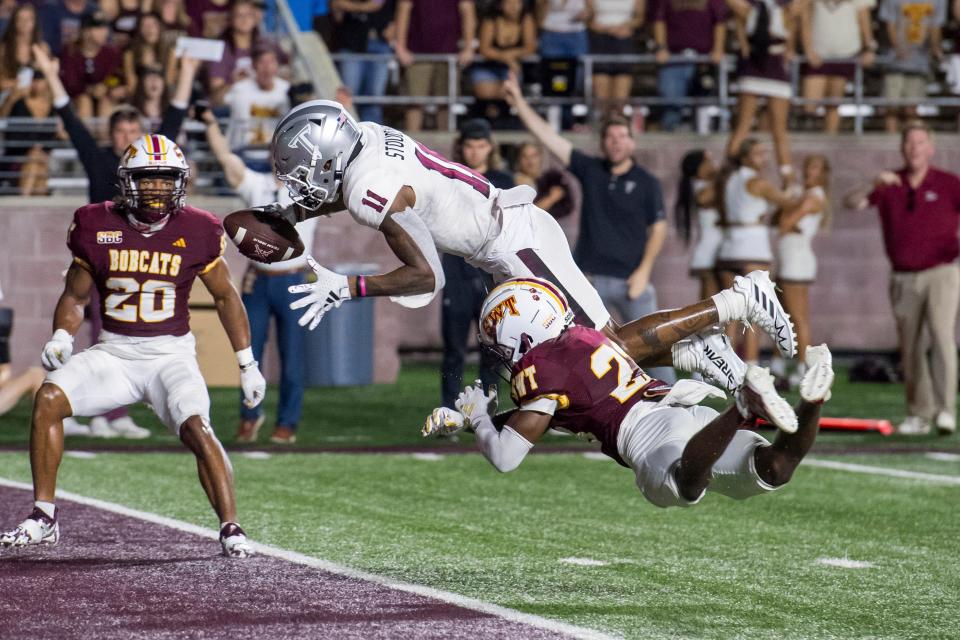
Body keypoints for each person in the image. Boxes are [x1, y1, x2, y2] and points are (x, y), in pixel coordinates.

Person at [262, 99, 798, 395]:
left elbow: (427, 276)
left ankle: (740, 301)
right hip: (501, 242)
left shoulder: (364, 188)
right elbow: (359, 189)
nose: (298, 180)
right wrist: (294, 212)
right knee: (579, 360)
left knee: (603, 353)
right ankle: (693, 349)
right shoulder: (370, 136)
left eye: (298, 169)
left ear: (326, 153)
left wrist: (348, 286)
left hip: (515, 241)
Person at [0, 134, 264, 557]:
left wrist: (247, 363)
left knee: (197, 426)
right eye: (148, 178)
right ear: (127, 181)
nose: (157, 188)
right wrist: (62, 335)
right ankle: (43, 516)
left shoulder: (199, 228)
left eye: (166, 179)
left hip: (169, 356)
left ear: (179, 183)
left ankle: (231, 527)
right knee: (48, 398)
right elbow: (75, 294)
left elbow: (225, 296)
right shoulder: (96, 223)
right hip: (115, 354)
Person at [422, 278, 835, 511]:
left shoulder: (541, 372)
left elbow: (506, 457)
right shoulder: (581, 340)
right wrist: (466, 420)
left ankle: (741, 403)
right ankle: (815, 397)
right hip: (678, 407)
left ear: (520, 333)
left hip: (647, 436)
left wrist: (476, 419)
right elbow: (541, 415)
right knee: (774, 468)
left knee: (685, 485)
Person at [32, 44, 201, 438]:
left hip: (139, 255)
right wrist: (48, 70)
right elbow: (70, 119)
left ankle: (110, 413)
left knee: (118, 332)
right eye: (120, 131)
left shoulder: (149, 170)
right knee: (86, 331)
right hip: (99, 257)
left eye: (132, 131)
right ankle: (85, 409)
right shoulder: (99, 159)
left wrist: (188, 69)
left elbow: (174, 120)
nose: (125, 136)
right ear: (111, 136)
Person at [505, 76, 676, 382]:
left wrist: (644, 271)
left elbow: (659, 228)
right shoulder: (591, 169)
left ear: (632, 141)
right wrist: (518, 101)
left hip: (631, 280)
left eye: (622, 136)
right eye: (610, 137)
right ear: (602, 142)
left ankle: (678, 406)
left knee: (654, 348)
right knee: (575, 348)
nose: (616, 142)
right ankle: (569, 409)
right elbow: (549, 138)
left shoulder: (647, 182)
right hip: (588, 280)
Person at [201, 107, 318, 446]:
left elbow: (345, 165)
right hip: (259, 280)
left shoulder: (310, 191)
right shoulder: (258, 184)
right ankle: (250, 416)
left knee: (292, 357)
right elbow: (226, 159)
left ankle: (287, 423)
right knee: (247, 352)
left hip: (296, 279)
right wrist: (210, 122)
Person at [844, 121, 960, 436]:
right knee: (910, 347)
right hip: (903, 277)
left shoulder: (948, 183)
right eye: (909, 143)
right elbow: (850, 202)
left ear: (931, 148)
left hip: (942, 272)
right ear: (902, 148)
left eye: (920, 142)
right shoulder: (890, 184)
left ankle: (946, 410)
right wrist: (872, 183)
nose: (914, 149)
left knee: (942, 337)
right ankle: (920, 414)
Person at [439, 118, 512, 411]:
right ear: (461, 147)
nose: (475, 152)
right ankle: (449, 408)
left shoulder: (503, 182)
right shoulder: (449, 178)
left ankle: (488, 408)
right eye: (470, 146)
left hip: (491, 276)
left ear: (490, 147)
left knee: (492, 351)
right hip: (456, 273)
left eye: (481, 146)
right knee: (453, 351)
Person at [716, 137, 799, 365]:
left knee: (730, 315)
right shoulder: (758, 182)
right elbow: (789, 200)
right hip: (752, 250)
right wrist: (790, 179)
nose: (764, 158)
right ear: (746, 157)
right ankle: (751, 365)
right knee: (754, 313)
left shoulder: (729, 180)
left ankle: (725, 366)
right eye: (758, 153)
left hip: (728, 248)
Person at [725, 0, 800, 186]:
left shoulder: (749, 11)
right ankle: (729, 174)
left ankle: (786, 178)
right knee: (767, 128)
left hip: (766, 66)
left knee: (763, 127)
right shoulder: (782, 12)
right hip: (761, 65)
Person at [776, 154, 829, 382]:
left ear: (823, 173)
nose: (808, 171)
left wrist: (789, 204)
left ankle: (803, 367)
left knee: (798, 317)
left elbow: (784, 222)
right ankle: (780, 363)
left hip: (797, 259)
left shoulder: (813, 197)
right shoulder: (802, 194)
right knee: (783, 314)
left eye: (815, 167)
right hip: (789, 256)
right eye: (807, 165)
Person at [394, 0, 477, 132]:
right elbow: (403, 10)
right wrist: (400, 47)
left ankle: (445, 145)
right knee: (414, 102)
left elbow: (467, 11)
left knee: (446, 103)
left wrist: (468, 47)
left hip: (449, 55)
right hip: (417, 55)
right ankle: (410, 144)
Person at [799, 0, 876, 134]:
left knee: (834, 103)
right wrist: (808, 49)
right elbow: (804, 15)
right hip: (818, 54)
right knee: (809, 105)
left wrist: (869, 47)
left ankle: (829, 140)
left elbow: (864, 18)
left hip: (845, 53)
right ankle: (809, 143)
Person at [652, 0, 727, 131]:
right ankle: (669, 141)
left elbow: (719, 22)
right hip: (674, 59)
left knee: (704, 104)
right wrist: (661, 47)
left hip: (703, 60)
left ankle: (703, 142)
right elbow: (659, 20)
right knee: (671, 105)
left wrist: (718, 48)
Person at [879, 0, 945, 133]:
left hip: (919, 62)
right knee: (891, 107)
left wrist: (935, 47)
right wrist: (898, 49)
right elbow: (889, 24)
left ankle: (912, 139)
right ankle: (890, 142)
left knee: (912, 108)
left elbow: (935, 26)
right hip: (894, 61)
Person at [675, 149, 722, 301]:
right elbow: (707, 196)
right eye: (708, 161)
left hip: (719, 250)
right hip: (709, 252)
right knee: (710, 304)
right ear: (699, 167)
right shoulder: (701, 187)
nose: (713, 164)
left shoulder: (709, 184)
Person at [512, 141, 573, 221]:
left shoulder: (551, 179)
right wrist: (551, 198)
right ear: (519, 160)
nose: (530, 161)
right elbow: (527, 214)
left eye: (534, 156)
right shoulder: (513, 182)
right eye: (525, 157)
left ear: (540, 157)